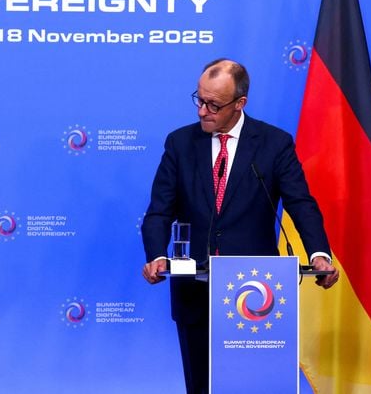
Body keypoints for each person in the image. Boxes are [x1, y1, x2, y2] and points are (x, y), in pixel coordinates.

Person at [140, 59, 339, 394]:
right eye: (199, 100)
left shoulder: (274, 143)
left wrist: (319, 253)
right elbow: (159, 211)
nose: (202, 111)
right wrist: (157, 256)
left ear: (239, 103)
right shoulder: (179, 143)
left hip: (257, 291)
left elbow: (300, 204)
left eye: (213, 105)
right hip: (195, 292)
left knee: (253, 386)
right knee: (200, 386)